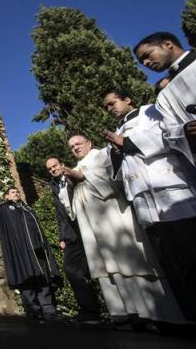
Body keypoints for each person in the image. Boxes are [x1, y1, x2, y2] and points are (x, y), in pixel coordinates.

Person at [102, 90, 196, 327]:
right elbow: (116, 172)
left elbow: (172, 137)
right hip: (147, 206)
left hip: (173, 194)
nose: (110, 108)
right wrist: (117, 152)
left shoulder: (151, 112)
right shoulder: (116, 131)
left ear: (127, 99)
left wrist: (127, 143)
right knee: (174, 266)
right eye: (106, 107)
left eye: (112, 103)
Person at [66, 134, 187, 326]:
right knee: (108, 267)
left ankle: (154, 313)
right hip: (93, 227)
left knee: (129, 261)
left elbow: (115, 179)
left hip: (114, 219)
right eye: (71, 147)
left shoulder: (101, 155)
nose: (75, 148)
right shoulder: (74, 168)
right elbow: (70, 205)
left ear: (89, 142)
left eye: (78, 144)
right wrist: (72, 185)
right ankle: (124, 313)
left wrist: (84, 176)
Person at [134, 32, 196, 169]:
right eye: (141, 62)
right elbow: (171, 131)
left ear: (168, 44)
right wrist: (187, 132)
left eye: (147, 55)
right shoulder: (163, 96)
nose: (145, 63)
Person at [46, 158, 100, 324]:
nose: (53, 170)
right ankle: (89, 312)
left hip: (86, 226)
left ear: (61, 164)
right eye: (49, 169)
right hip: (71, 233)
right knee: (70, 269)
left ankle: (112, 311)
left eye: (54, 166)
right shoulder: (54, 185)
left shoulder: (73, 175)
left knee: (96, 269)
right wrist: (62, 236)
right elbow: (60, 213)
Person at [0, 187, 62, 321]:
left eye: (17, 192)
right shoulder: (5, 209)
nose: (16, 194)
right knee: (27, 277)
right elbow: (11, 230)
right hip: (22, 250)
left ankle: (49, 309)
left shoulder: (27, 209)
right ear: (7, 196)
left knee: (43, 277)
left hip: (37, 249)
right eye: (12, 192)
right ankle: (34, 310)